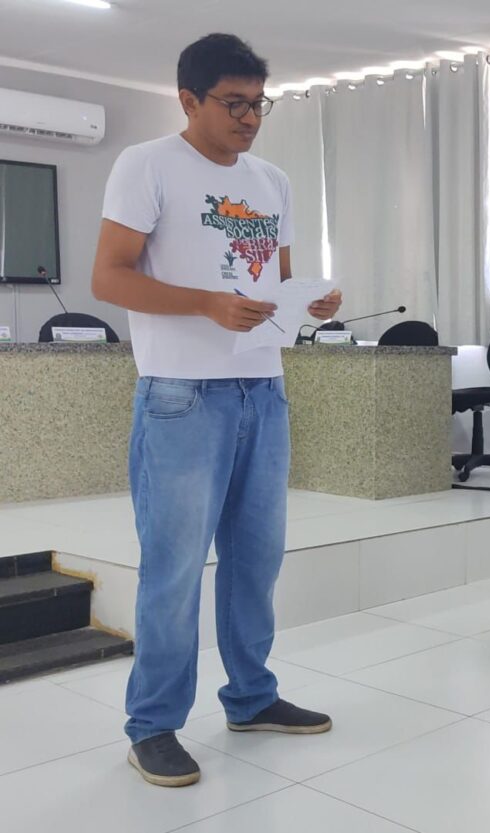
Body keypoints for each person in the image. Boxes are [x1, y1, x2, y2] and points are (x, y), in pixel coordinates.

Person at [92, 33, 341, 788]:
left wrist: (311, 304)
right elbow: (108, 277)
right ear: (188, 100)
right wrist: (205, 303)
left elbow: (277, 283)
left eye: (260, 104)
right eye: (235, 104)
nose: (250, 118)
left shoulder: (272, 181)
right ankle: (153, 725)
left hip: (262, 389)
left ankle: (252, 696)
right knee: (173, 570)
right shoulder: (146, 165)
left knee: (256, 560)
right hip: (181, 394)